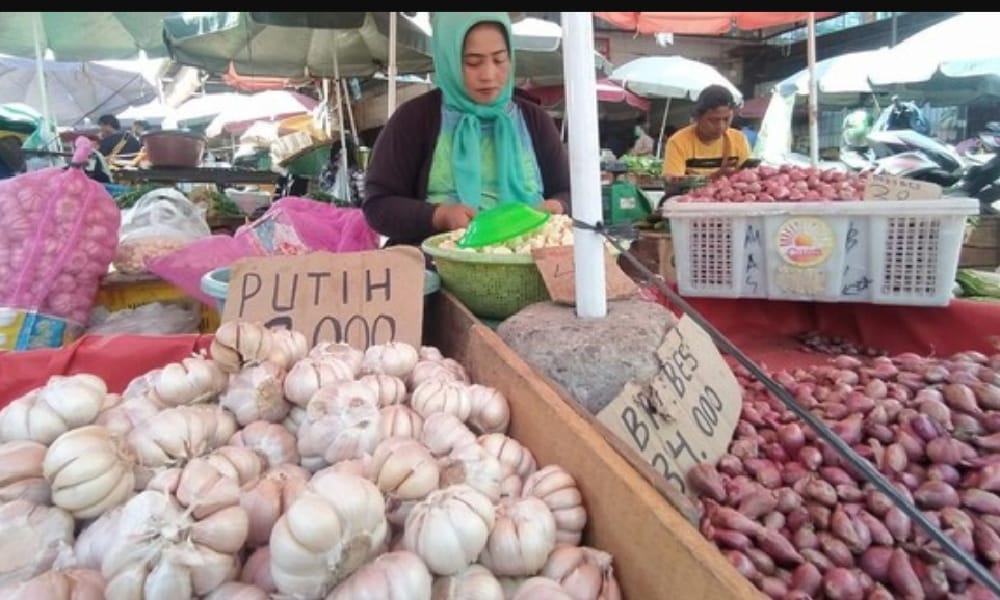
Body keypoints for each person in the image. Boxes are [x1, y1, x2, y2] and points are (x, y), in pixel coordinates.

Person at [363, 12, 571, 246]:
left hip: (528, 260)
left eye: (499, 60)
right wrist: (438, 216)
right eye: (472, 62)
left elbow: (568, 192)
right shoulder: (414, 119)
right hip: (438, 269)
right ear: (448, 59)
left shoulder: (535, 120)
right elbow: (378, 206)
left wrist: (556, 206)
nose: (488, 75)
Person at [661, 84, 751, 180]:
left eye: (726, 119)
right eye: (713, 120)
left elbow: (748, 177)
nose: (721, 126)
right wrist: (713, 178)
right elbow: (671, 183)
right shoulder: (678, 142)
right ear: (697, 117)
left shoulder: (738, 139)